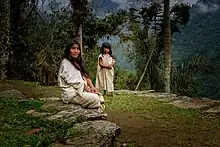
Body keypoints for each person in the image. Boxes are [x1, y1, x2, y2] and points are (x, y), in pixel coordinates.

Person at [58, 39, 106, 115]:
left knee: (98, 95)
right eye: (73, 48)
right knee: (95, 98)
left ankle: (97, 113)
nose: (76, 51)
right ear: (68, 50)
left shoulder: (77, 62)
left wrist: (92, 87)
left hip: (80, 89)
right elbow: (72, 81)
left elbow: (85, 76)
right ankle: (95, 114)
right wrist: (85, 88)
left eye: (78, 49)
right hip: (72, 93)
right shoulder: (65, 63)